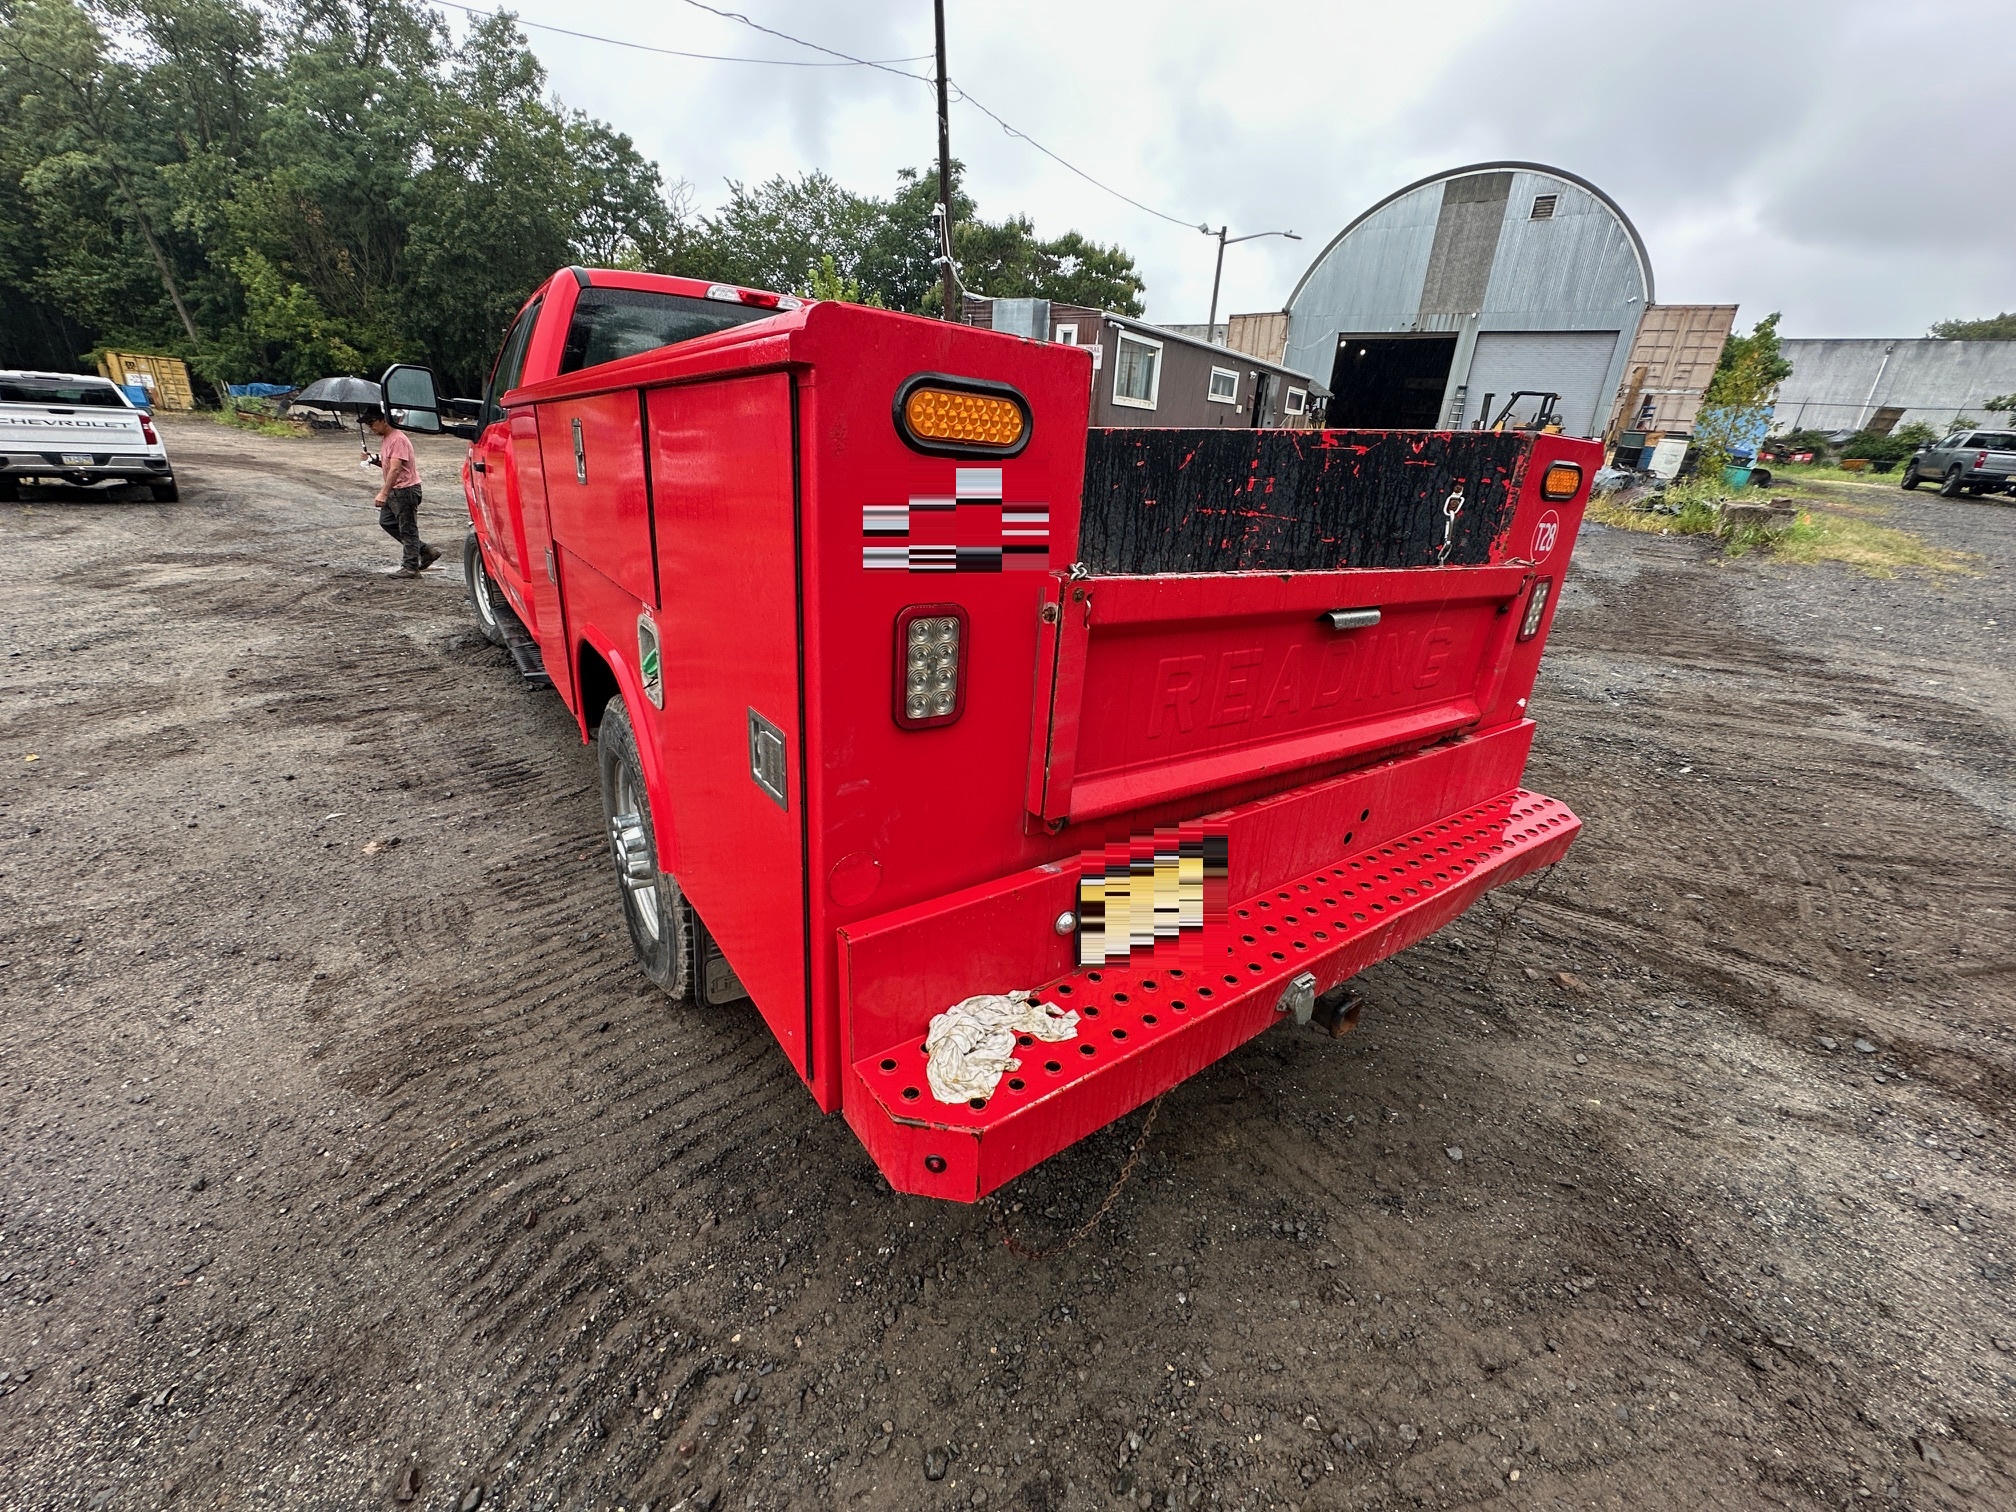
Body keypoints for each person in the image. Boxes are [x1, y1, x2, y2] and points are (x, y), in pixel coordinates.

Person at [362, 405, 439, 578]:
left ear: (384, 420)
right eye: (367, 424)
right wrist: (374, 461)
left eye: (372, 422)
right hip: (396, 490)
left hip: (405, 490)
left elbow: (396, 470)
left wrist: (383, 492)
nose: (370, 427)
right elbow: (391, 466)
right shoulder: (387, 438)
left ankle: (411, 567)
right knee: (387, 522)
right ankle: (425, 551)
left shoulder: (398, 439)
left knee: (408, 529)